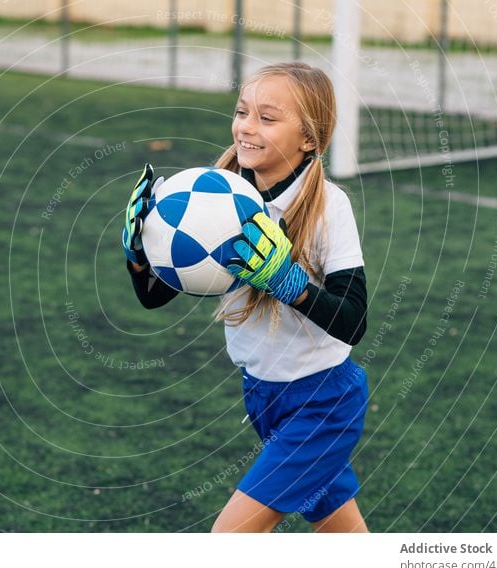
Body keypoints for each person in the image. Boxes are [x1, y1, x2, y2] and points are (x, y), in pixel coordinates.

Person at [121, 63, 369, 533]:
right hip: (261, 394)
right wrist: (138, 255)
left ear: (309, 139)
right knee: (342, 531)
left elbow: (354, 321)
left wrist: (287, 281)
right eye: (241, 112)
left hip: (322, 402)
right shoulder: (216, 192)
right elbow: (154, 299)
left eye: (268, 118)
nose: (246, 127)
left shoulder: (329, 206)